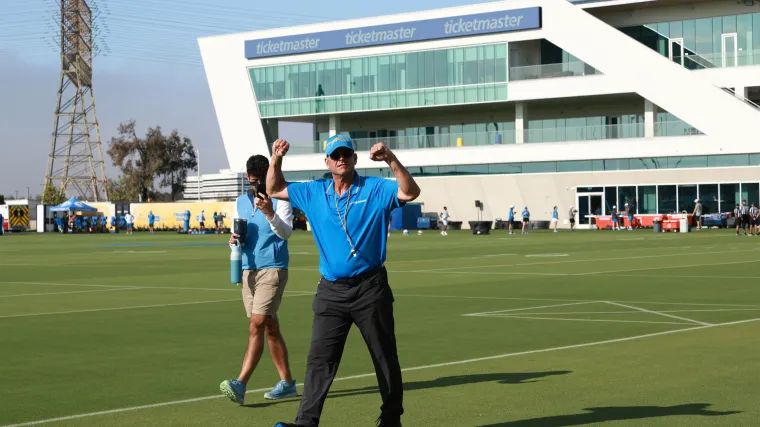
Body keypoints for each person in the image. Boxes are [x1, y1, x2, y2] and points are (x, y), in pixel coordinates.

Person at [268, 134, 420, 427]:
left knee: (384, 356)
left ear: (354, 159)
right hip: (331, 291)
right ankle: (305, 423)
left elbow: (410, 192)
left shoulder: (374, 188)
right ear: (326, 161)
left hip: (370, 288)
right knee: (319, 361)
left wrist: (390, 159)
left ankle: (391, 420)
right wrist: (276, 158)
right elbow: (273, 188)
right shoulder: (314, 192)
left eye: (346, 154)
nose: (341, 159)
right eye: (335, 155)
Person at [220, 154, 297, 405]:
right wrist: (234, 239)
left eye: (259, 183)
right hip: (247, 270)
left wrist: (269, 212)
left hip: (273, 268)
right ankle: (287, 383)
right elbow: (239, 230)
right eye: (252, 183)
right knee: (269, 327)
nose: (256, 188)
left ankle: (240, 384)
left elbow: (285, 233)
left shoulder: (281, 197)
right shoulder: (241, 201)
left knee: (256, 324)